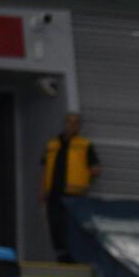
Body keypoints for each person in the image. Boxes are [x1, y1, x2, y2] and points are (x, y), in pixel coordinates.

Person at [38, 112, 102, 262]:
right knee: (55, 224)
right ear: (65, 124)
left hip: (74, 193)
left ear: (79, 126)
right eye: (69, 122)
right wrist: (41, 190)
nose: (72, 126)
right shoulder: (52, 145)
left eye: (76, 123)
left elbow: (95, 168)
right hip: (53, 193)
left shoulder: (84, 145)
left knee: (71, 225)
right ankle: (61, 255)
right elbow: (44, 168)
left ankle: (73, 256)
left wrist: (89, 175)